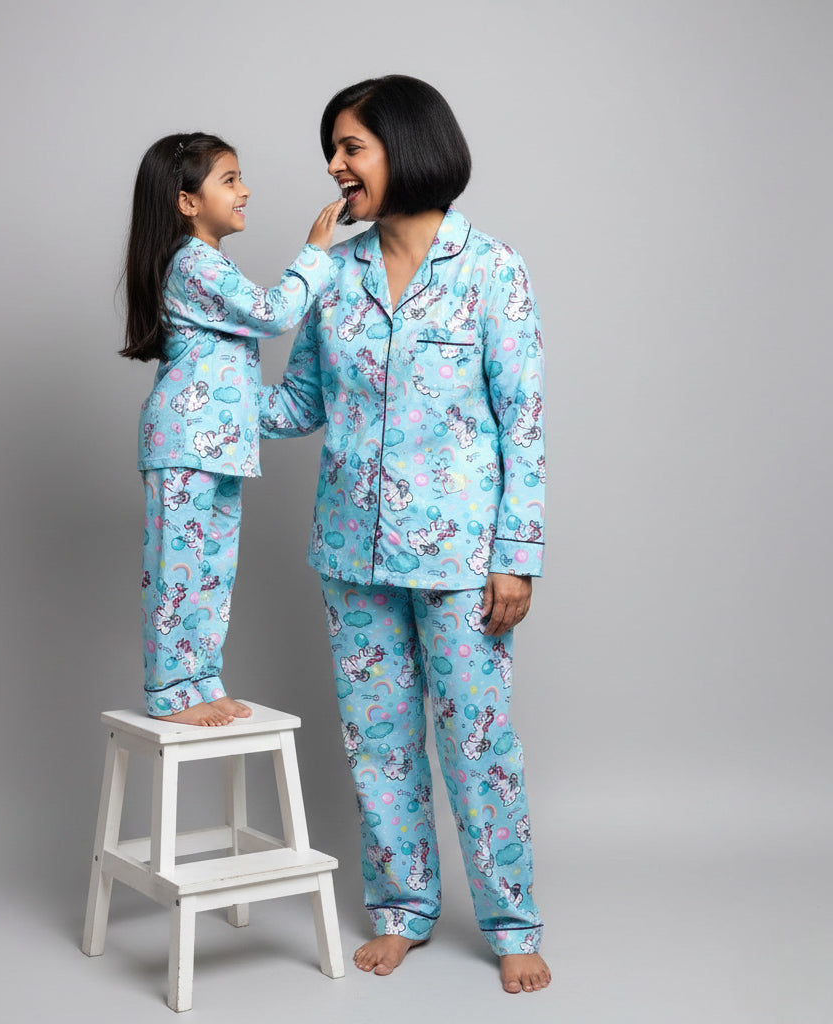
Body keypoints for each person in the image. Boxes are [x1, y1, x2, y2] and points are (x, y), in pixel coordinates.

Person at [259, 78, 551, 993]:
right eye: (334, 152)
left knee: (478, 743)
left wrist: (517, 555)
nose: (336, 167)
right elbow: (300, 403)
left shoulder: (490, 268)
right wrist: (202, 378)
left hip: (464, 558)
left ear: (408, 147)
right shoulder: (333, 273)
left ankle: (511, 921)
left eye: (353, 148)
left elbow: (524, 421)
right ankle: (402, 910)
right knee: (376, 741)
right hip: (352, 551)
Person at [121, 132, 343, 726]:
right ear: (186, 201)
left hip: (217, 446)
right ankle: (170, 692)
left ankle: (199, 683)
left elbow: (235, 378)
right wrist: (316, 251)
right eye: (229, 180)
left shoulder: (209, 262)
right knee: (178, 571)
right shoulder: (191, 262)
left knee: (211, 575)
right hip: (183, 444)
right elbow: (272, 314)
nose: (244, 191)